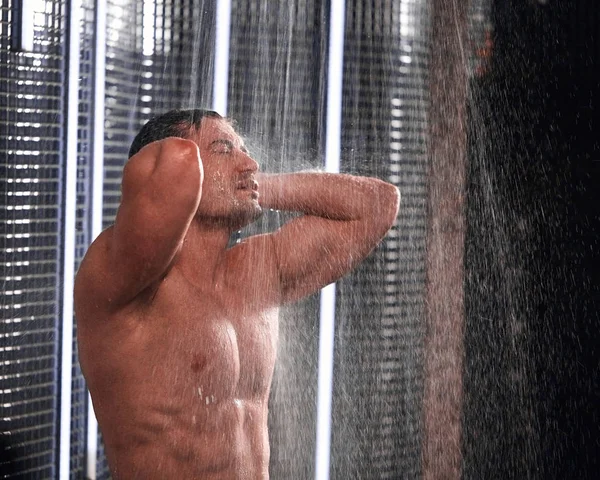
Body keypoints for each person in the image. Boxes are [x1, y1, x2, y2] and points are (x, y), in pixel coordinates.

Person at [74, 109, 400, 479]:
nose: (250, 162)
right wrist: (222, 177)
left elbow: (378, 205)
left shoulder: (257, 273)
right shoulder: (125, 277)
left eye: (243, 150)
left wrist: (253, 184)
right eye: (224, 149)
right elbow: (173, 162)